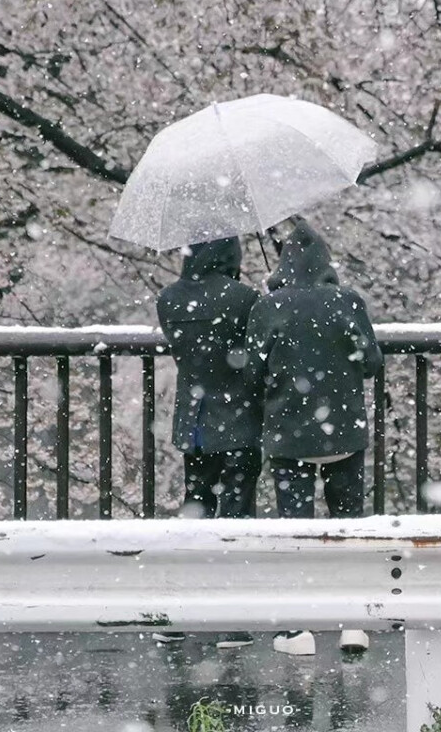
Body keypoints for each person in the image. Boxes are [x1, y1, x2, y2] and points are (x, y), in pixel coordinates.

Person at [245, 216, 382, 657]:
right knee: (348, 526)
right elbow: (371, 362)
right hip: (342, 432)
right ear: (326, 263)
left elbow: (252, 370)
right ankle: (354, 624)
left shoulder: (270, 306)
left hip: (290, 437)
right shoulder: (348, 301)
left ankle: (298, 629)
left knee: (295, 530)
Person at [154, 235, 262, 648]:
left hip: (194, 422)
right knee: (236, 514)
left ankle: (176, 614)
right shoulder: (243, 298)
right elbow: (251, 354)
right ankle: (232, 620)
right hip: (238, 420)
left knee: (196, 508)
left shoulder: (170, 299)